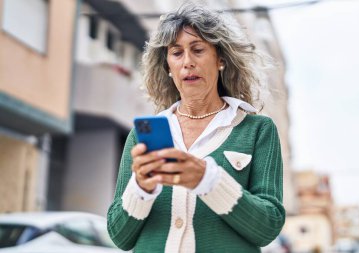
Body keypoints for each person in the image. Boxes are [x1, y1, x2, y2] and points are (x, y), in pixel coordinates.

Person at [107, 3, 285, 253]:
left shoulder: (257, 129)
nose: (187, 62)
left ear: (220, 59)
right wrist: (141, 188)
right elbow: (120, 237)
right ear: (168, 66)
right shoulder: (142, 136)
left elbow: (267, 227)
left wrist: (208, 180)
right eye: (177, 53)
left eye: (198, 49)